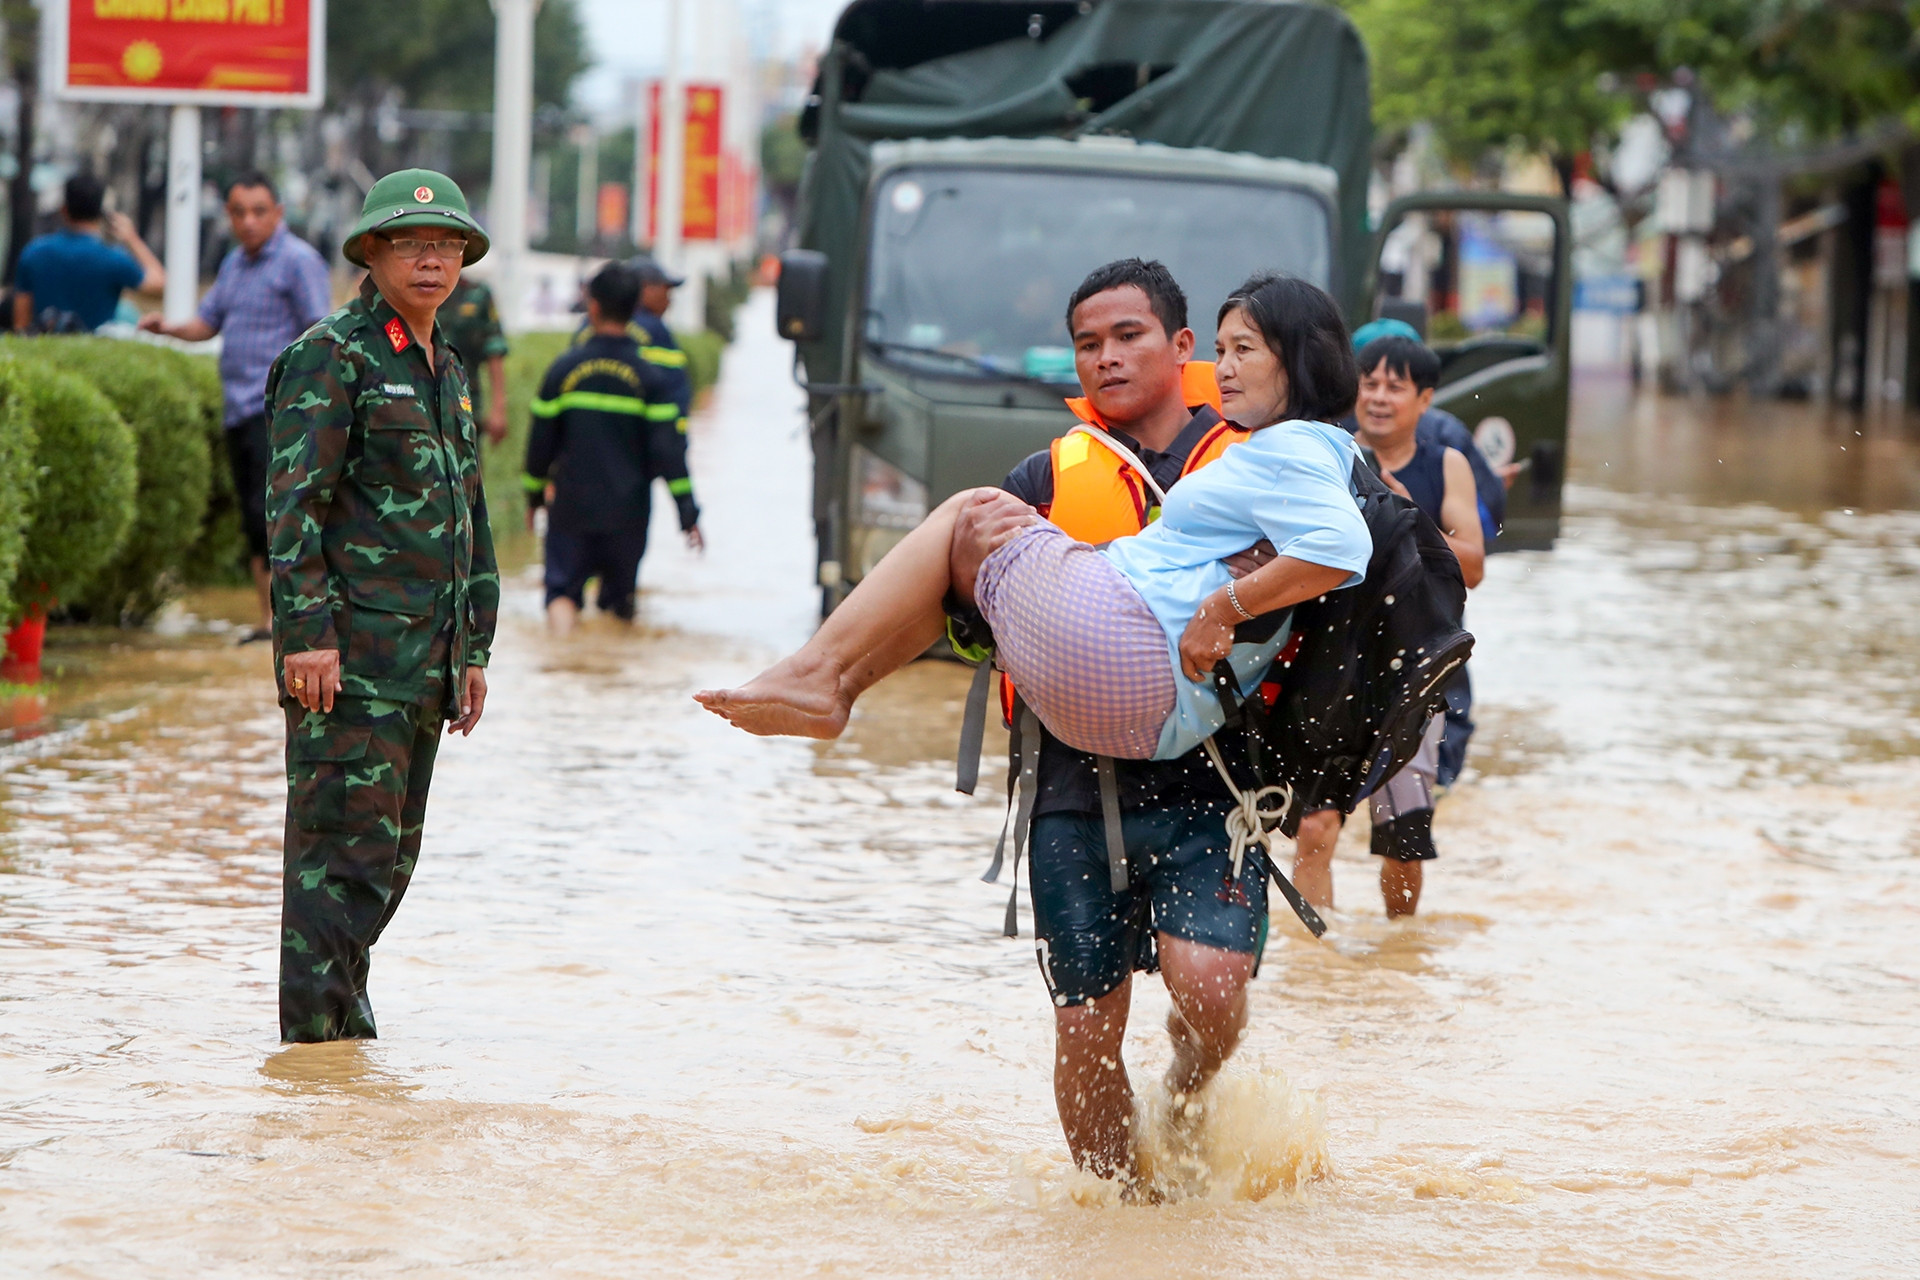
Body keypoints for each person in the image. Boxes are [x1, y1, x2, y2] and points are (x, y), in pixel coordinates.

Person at [698, 268, 1371, 1184]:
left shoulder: (1261, 448)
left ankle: (1187, 1089)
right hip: (1073, 777)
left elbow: (1343, 607)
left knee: (1210, 991)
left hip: (1214, 775)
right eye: (1088, 344)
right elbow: (965, 615)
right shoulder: (1047, 477)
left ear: (1182, 351)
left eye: (1128, 337)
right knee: (1086, 1028)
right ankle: (1120, 1221)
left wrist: (1319, 771)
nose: (1105, 358)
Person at [265, 168, 499, 1043]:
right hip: (350, 666)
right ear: (371, 252)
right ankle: (315, 1057)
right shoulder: (336, 354)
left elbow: (470, 515)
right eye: (409, 242)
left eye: (444, 244)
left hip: (426, 667)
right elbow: (295, 506)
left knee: (388, 865)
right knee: (339, 864)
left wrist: (474, 649)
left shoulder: (446, 367)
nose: (431, 258)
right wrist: (307, 639)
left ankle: (339, 1059)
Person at [1291, 334, 1484, 918]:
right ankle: (1315, 958)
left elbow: (1472, 565)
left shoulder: (1445, 464)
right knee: (1315, 827)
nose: (1378, 397)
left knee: (1402, 839)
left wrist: (1401, 510)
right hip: (1331, 666)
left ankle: (1399, 949)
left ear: (1425, 400)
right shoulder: (1328, 455)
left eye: (1394, 387)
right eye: (1368, 382)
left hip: (1413, 672)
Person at [140, 172, 333, 642]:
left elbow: (321, 334)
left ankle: (296, 620)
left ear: (278, 213)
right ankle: (267, 619)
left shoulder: (298, 262)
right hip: (239, 409)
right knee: (254, 517)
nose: (248, 221)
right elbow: (208, 323)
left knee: (281, 513)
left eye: (258, 211)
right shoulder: (233, 265)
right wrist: (167, 329)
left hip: (283, 412)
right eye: (239, 212)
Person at [524, 262, 702, 634]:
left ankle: (560, 667)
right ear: (636, 304)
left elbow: (540, 441)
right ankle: (613, 677)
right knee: (618, 608)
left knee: (562, 593)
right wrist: (688, 513)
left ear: (592, 307)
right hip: (628, 510)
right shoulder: (650, 380)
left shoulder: (563, 370)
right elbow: (669, 451)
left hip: (571, 505)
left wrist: (534, 496)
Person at [12, 171, 164, 333]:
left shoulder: (34, 252)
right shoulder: (112, 257)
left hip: (44, 348)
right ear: (101, 213)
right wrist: (132, 238)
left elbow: (21, 323)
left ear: (64, 209)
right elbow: (159, 285)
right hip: (97, 349)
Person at [441, 276, 510, 445]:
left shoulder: (477, 293)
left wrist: (498, 409)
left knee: (468, 465)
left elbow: (494, 350)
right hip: (417, 402)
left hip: (465, 402)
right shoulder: (410, 290)